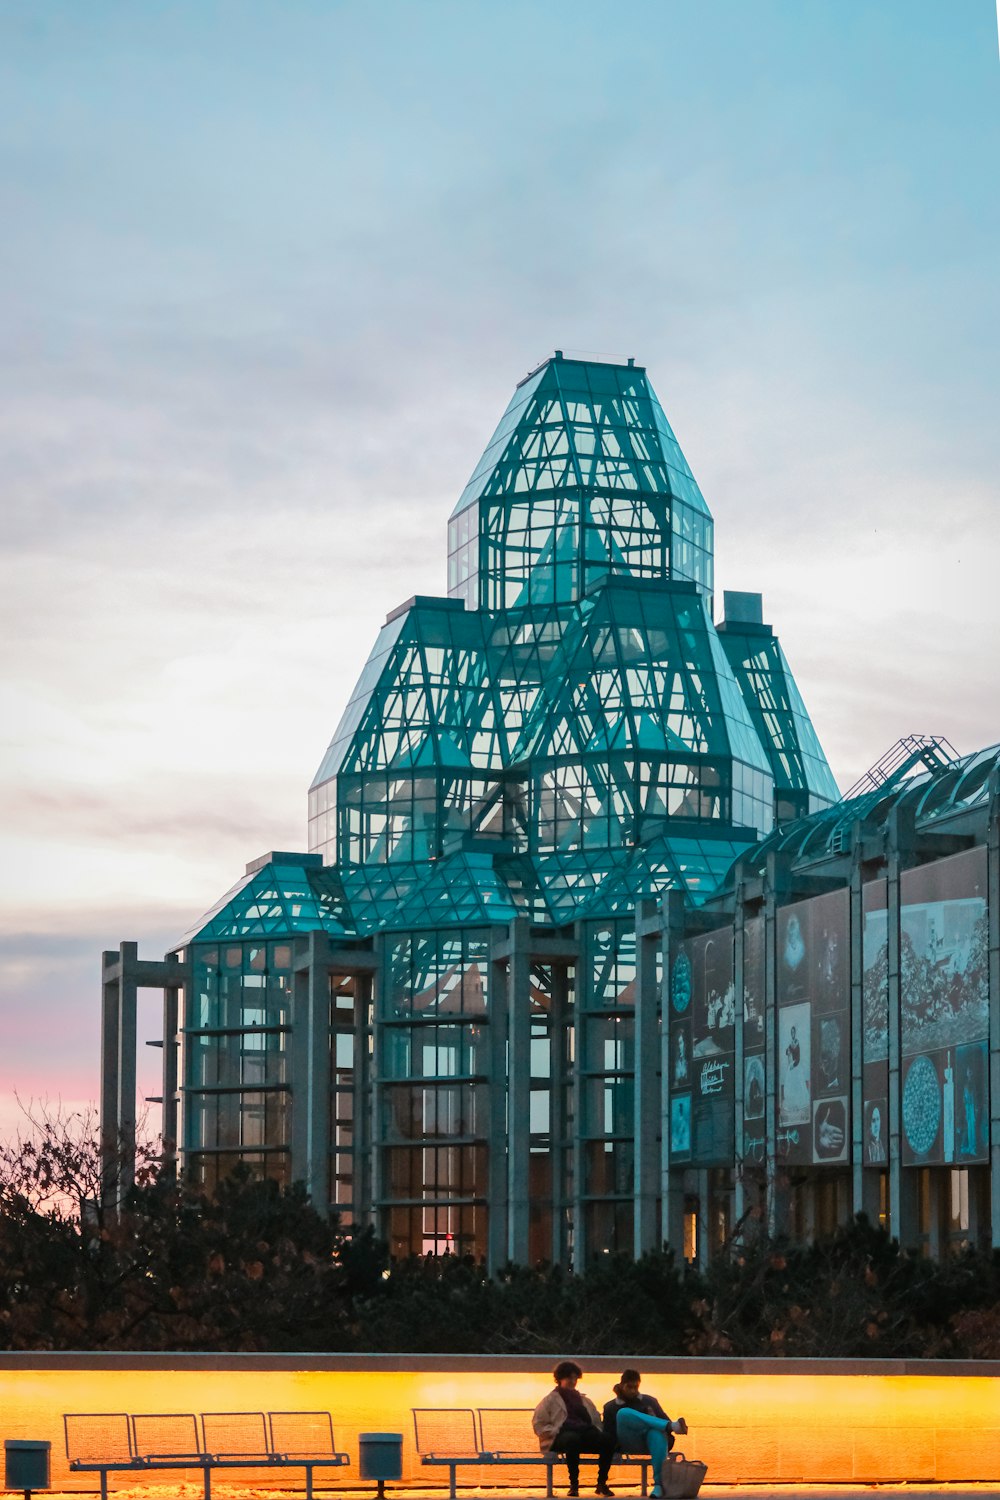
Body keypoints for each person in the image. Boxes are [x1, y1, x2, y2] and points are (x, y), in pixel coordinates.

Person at [533, 1361, 617, 1498]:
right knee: (572, 1439)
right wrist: (553, 1431)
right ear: (560, 1379)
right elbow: (539, 1423)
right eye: (569, 1378)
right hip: (561, 1435)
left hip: (584, 1433)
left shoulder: (584, 1400)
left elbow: (595, 1420)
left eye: (575, 1378)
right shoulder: (550, 1400)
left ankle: (601, 1483)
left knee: (607, 1440)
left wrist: (597, 1430)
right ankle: (574, 1484)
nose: (573, 1381)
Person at [601, 1370, 687, 1500]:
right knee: (623, 1413)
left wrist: (653, 1418)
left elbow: (664, 1422)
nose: (633, 1391)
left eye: (636, 1387)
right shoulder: (611, 1406)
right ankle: (672, 1426)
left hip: (651, 1442)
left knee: (656, 1432)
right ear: (622, 1385)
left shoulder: (649, 1401)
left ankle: (659, 1485)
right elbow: (608, 1432)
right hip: (627, 1440)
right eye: (629, 1387)